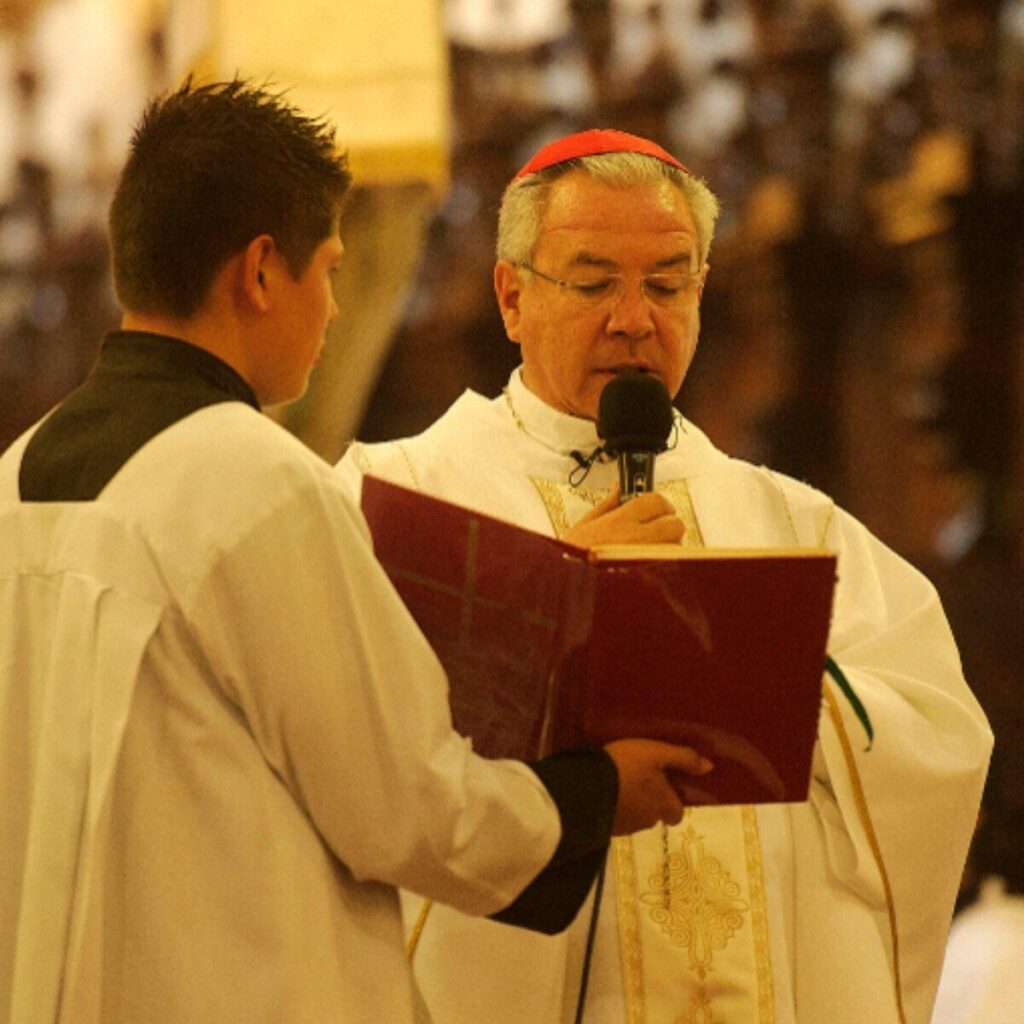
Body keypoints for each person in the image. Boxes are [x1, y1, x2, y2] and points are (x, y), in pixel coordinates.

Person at [0, 86, 714, 1024]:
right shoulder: (256, 484)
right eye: (331, 269)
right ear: (261, 272)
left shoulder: (17, 477)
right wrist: (595, 793)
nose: (337, 307)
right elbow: (411, 808)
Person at [337, 129, 994, 1024]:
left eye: (667, 283)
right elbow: (352, 748)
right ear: (511, 296)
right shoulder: (398, 498)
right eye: (595, 280)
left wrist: (753, 660)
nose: (634, 318)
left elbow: (939, 742)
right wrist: (557, 612)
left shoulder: (790, 523)